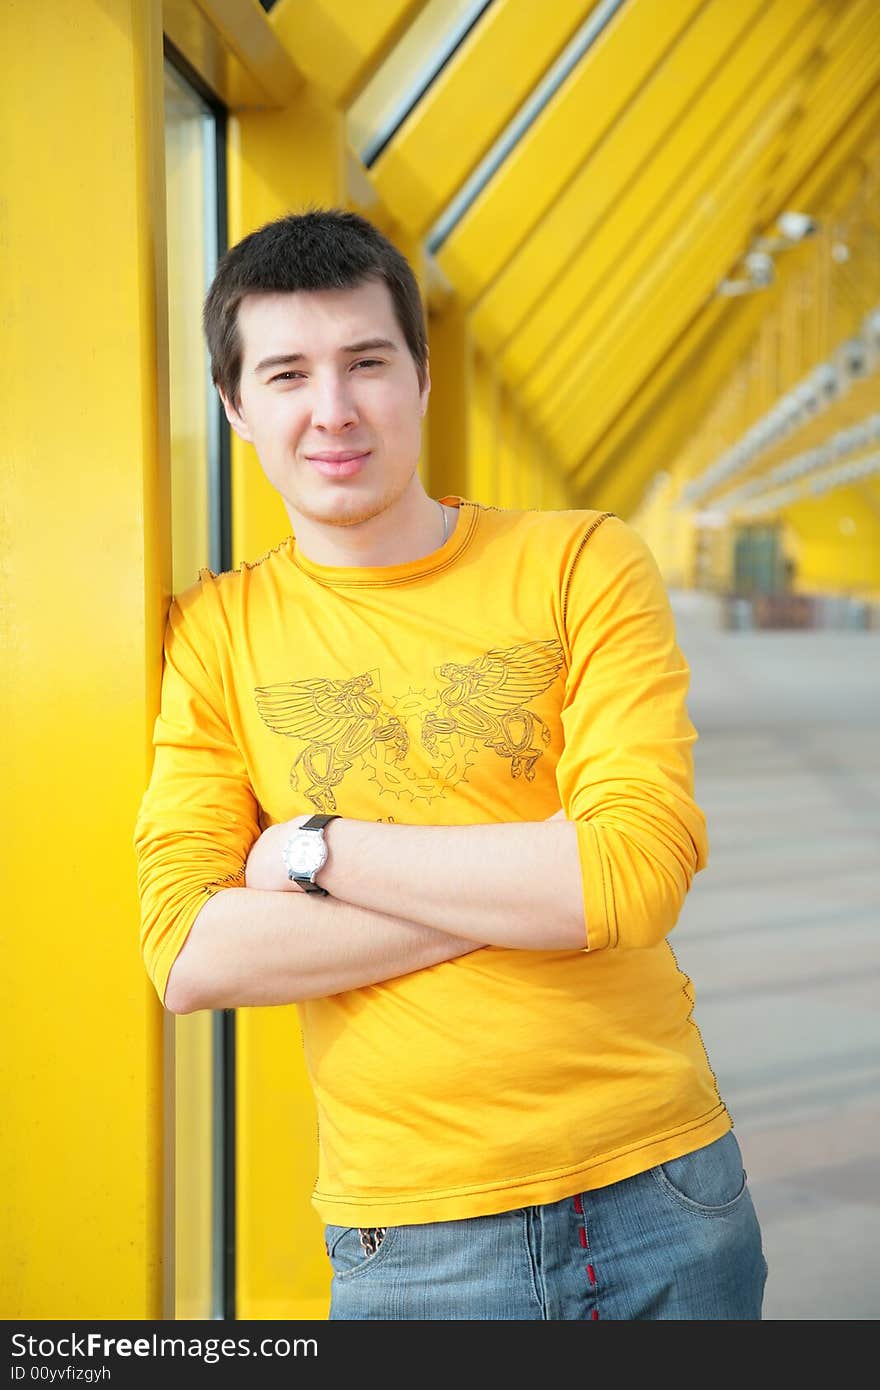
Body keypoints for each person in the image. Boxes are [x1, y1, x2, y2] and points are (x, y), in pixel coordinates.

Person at [134, 208, 767, 1321]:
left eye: (366, 362)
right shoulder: (215, 635)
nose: (332, 410)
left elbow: (631, 875)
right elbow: (189, 954)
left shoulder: (580, 561)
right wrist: (544, 887)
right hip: (413, 1235)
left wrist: (316, 850)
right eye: (286, 374)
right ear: (236, 407)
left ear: (421, 376)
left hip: (662, 1185)